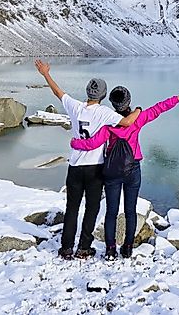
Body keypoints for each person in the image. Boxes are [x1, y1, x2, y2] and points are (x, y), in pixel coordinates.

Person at [71, 85, 179, 260]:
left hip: (112, 172)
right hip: (133, 170)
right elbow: (160, 108)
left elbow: (93, 143)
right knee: (130, 211)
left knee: (111, 212)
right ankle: (128, 247)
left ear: (113, 104)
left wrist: (75, 144)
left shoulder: (109, 122)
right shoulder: (138, 118)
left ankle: (110, 249)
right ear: (128, 101)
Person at [35, 59, 140, 260]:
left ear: (88, 92)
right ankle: (84, 247)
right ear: (102, 95)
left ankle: (66, 248)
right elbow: (127, 122)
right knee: (92, 208)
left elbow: (58, 92)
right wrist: (138, 110)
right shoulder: (104, 112)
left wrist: (46, 73)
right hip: (95, 168)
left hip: (75, 166)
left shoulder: (74, 107)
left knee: (72, 208)